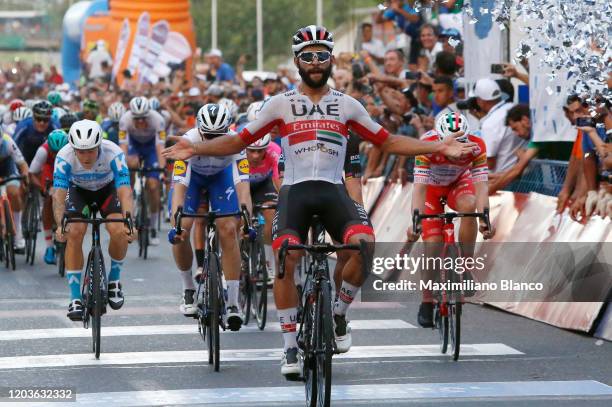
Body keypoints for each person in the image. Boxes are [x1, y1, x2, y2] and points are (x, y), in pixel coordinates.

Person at [162, 25, 478, 378]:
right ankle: (289, 349)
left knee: (363, 246)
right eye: (308, 56)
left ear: (330, 60)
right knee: (286, 255)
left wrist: (439, 146)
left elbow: (388, 142)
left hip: (332, 191)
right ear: (298, 61)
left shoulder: (347, 105)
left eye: (322, 55)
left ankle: (339, 315)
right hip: (295, 192)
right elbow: (238, 141)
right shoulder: (280, 103)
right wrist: (198, 147)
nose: (315, 62)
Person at [166, 103, 251, 331]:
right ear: (199, 129)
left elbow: (243, 184)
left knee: (228, 228)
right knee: (182, 228)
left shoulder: (236, 142)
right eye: (208, 135)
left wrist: (246, 215)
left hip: (221, 179)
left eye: (218, 136)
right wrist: (177, 220)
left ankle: (233, 303)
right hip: (194, 180)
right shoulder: (188, 139)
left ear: (228, 130)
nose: (213, 139)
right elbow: (180, 186)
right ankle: (188, 290)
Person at [410, 112, 494, 327]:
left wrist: (485, 218)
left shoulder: (476, 146)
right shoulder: (427, 145)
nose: (458, 149)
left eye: (462, 141)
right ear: (440, 139)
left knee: (469, 205)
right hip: (430, 189)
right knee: (432, 245)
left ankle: (465, 267)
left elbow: (482, 186)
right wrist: (416, 220)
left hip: (458, 184)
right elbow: (419, 188)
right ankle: (427, 301)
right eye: (452, 142)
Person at [53, 120, 133, 321]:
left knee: (119, 230)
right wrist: (59, 225)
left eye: (90, 151)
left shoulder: (113, 152)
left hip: (108, 190)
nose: (86, 156)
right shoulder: (64, 157)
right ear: (73, 148)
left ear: (99, 145)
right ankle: (74, 298)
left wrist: (129, 221)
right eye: (81, 151)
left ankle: (114, 281)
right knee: (74, 231)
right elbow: (59, 195)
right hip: (78, 192)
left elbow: (124, 191)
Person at [119, 96, 167, 245]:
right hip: (134, 145)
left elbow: (160, 147)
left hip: (151, 148)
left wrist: (161, 169)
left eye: (143, 118)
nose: (140, 121)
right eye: (137, 118)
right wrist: (124, 168)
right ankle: (131, 206)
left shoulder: (158, 120)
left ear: (149, 114)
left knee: (153, 186)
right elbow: (123, 148)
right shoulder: (124, 120)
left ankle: (152, 227)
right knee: (129, 168)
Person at [28, 129, 69, 264]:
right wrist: (42, 189)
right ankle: (49, 247)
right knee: (49, 199)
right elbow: (32, 173)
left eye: (60, 152)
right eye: (54, 152)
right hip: (49, 172)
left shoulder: (72, 150)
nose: (57, 155)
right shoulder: (43, 151)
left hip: (67, 171)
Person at [246, 133, 281, 280]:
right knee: (240, 219)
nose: (255, 156)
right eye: (252, 151)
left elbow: (278, 180)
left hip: (263, 185)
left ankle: (269, 262)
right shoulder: (238, 152)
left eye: (260, 151)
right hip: (242, 183)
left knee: (272, 216)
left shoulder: (274, 151)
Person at [472, 78, 525, 173]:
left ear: (480, 101)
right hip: (525, 174)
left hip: (504, 179)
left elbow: (489, 163)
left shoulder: (490, 123)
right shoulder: (515, 108)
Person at [0, 133, 29, 252]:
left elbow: (22, 164)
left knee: (14, 193)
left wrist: (25, 177)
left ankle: (18, 236)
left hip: (8, 169)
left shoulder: (8, 141)